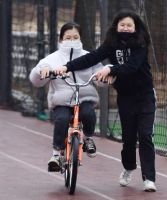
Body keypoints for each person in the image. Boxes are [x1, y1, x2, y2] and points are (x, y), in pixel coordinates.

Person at [54, 10, 157, 192]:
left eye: (129, 25)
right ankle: (128, 168)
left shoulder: (140, 45)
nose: (125, 28)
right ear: (116, 27)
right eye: (122, 25)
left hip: (145, 95)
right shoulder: (112, 44)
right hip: (126, 97)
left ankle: (149, 178)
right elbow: (91, 58)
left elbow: (131, 66)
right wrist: (67, 67)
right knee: (129, 138)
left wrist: (109, 69)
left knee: (146, 135)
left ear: (135, 28)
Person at [29, 22, 111, 171]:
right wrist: (43, 70)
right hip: (61, 100)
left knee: (89, 113)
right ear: (61, 39)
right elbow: (36, 82)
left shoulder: (89, 57)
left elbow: (101, 77)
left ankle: (87, 139)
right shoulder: (52, 59)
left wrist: (105, 75)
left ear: (80, 38)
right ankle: (56, 154)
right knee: (62, 119)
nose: (72, 41)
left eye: (75, 37)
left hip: (84, 97)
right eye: (68, 38)